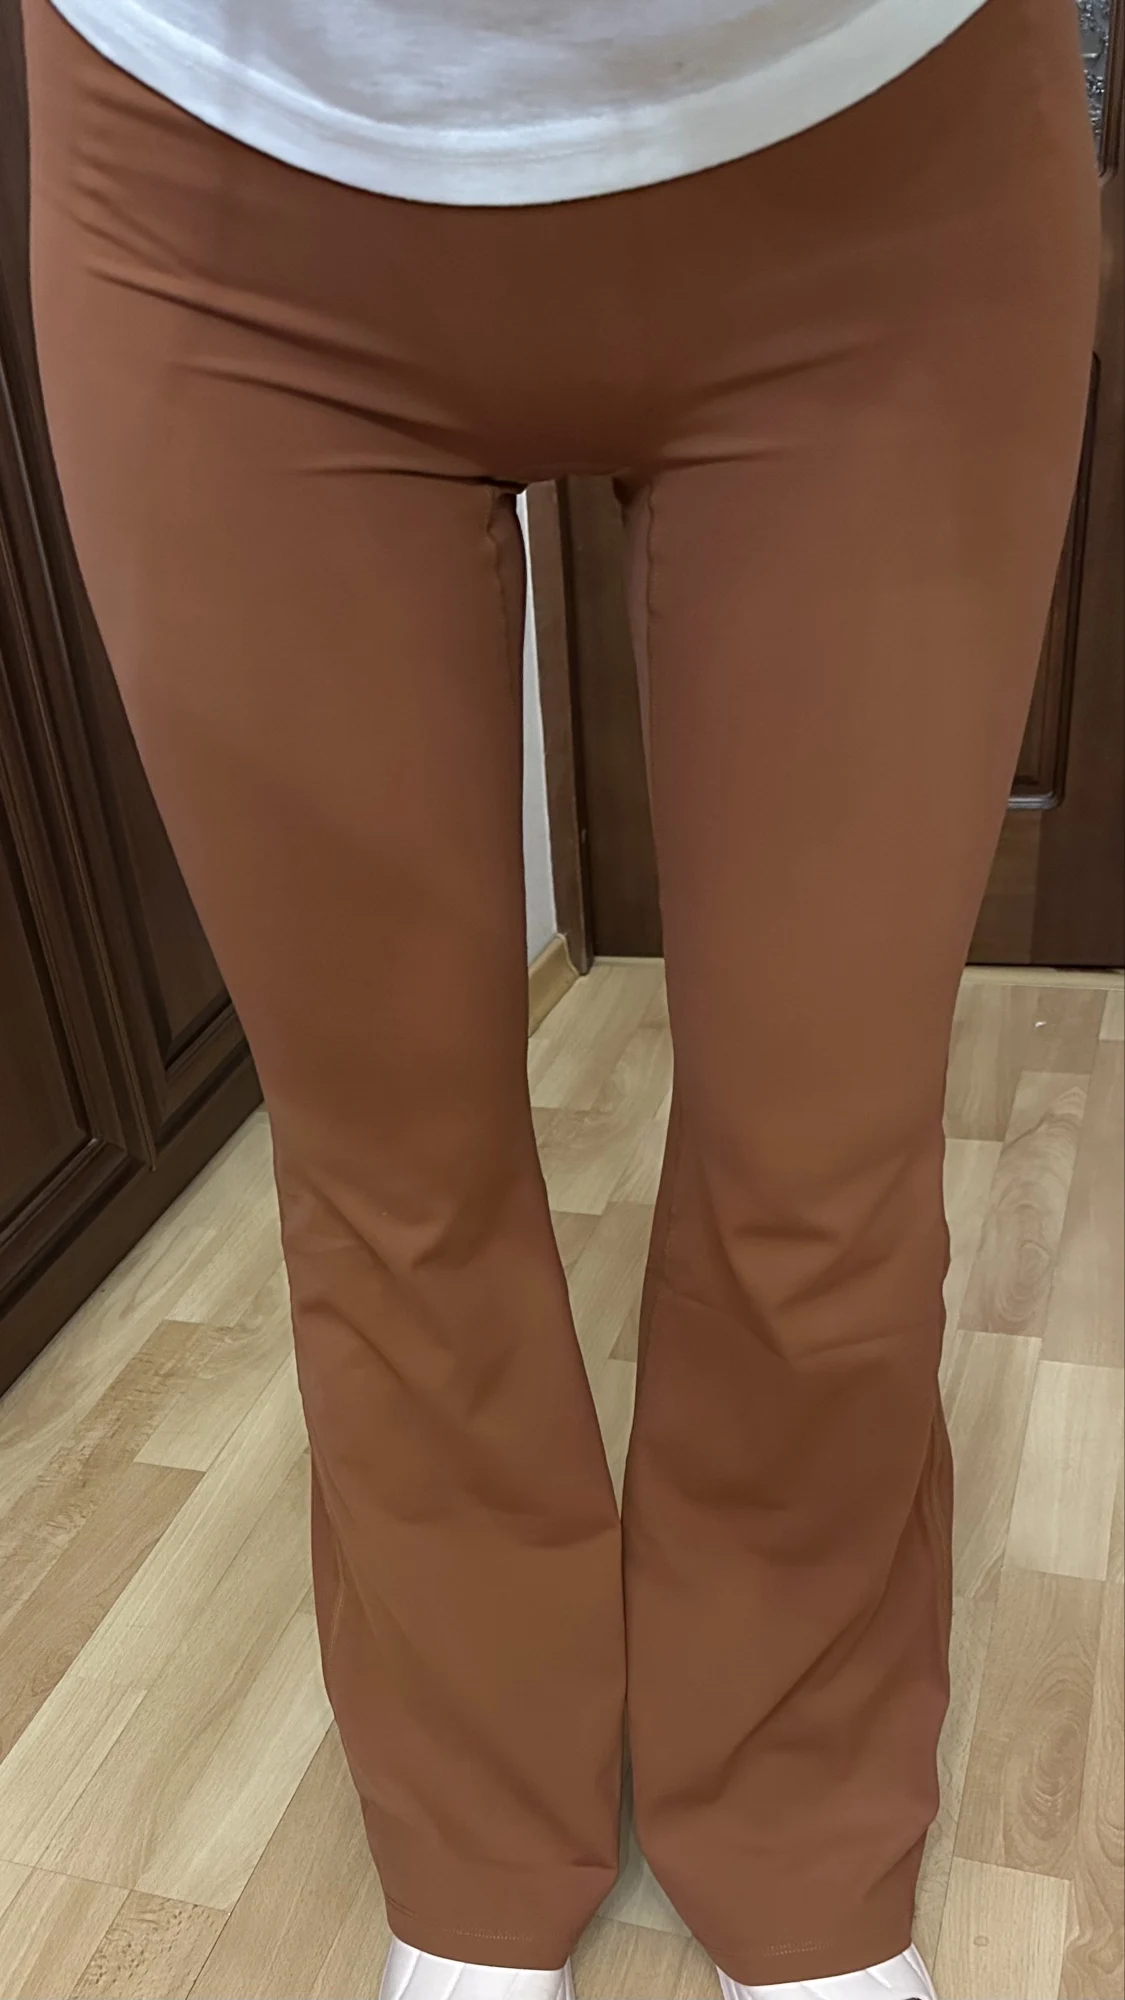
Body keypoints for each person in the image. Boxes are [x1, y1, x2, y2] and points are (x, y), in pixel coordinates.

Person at [24, 0, 1098, 1995]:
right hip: (223, 158)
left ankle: (799, 1842)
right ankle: (471, 1852)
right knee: (387, 1168)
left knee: (823, 1166)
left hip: (870, 132)